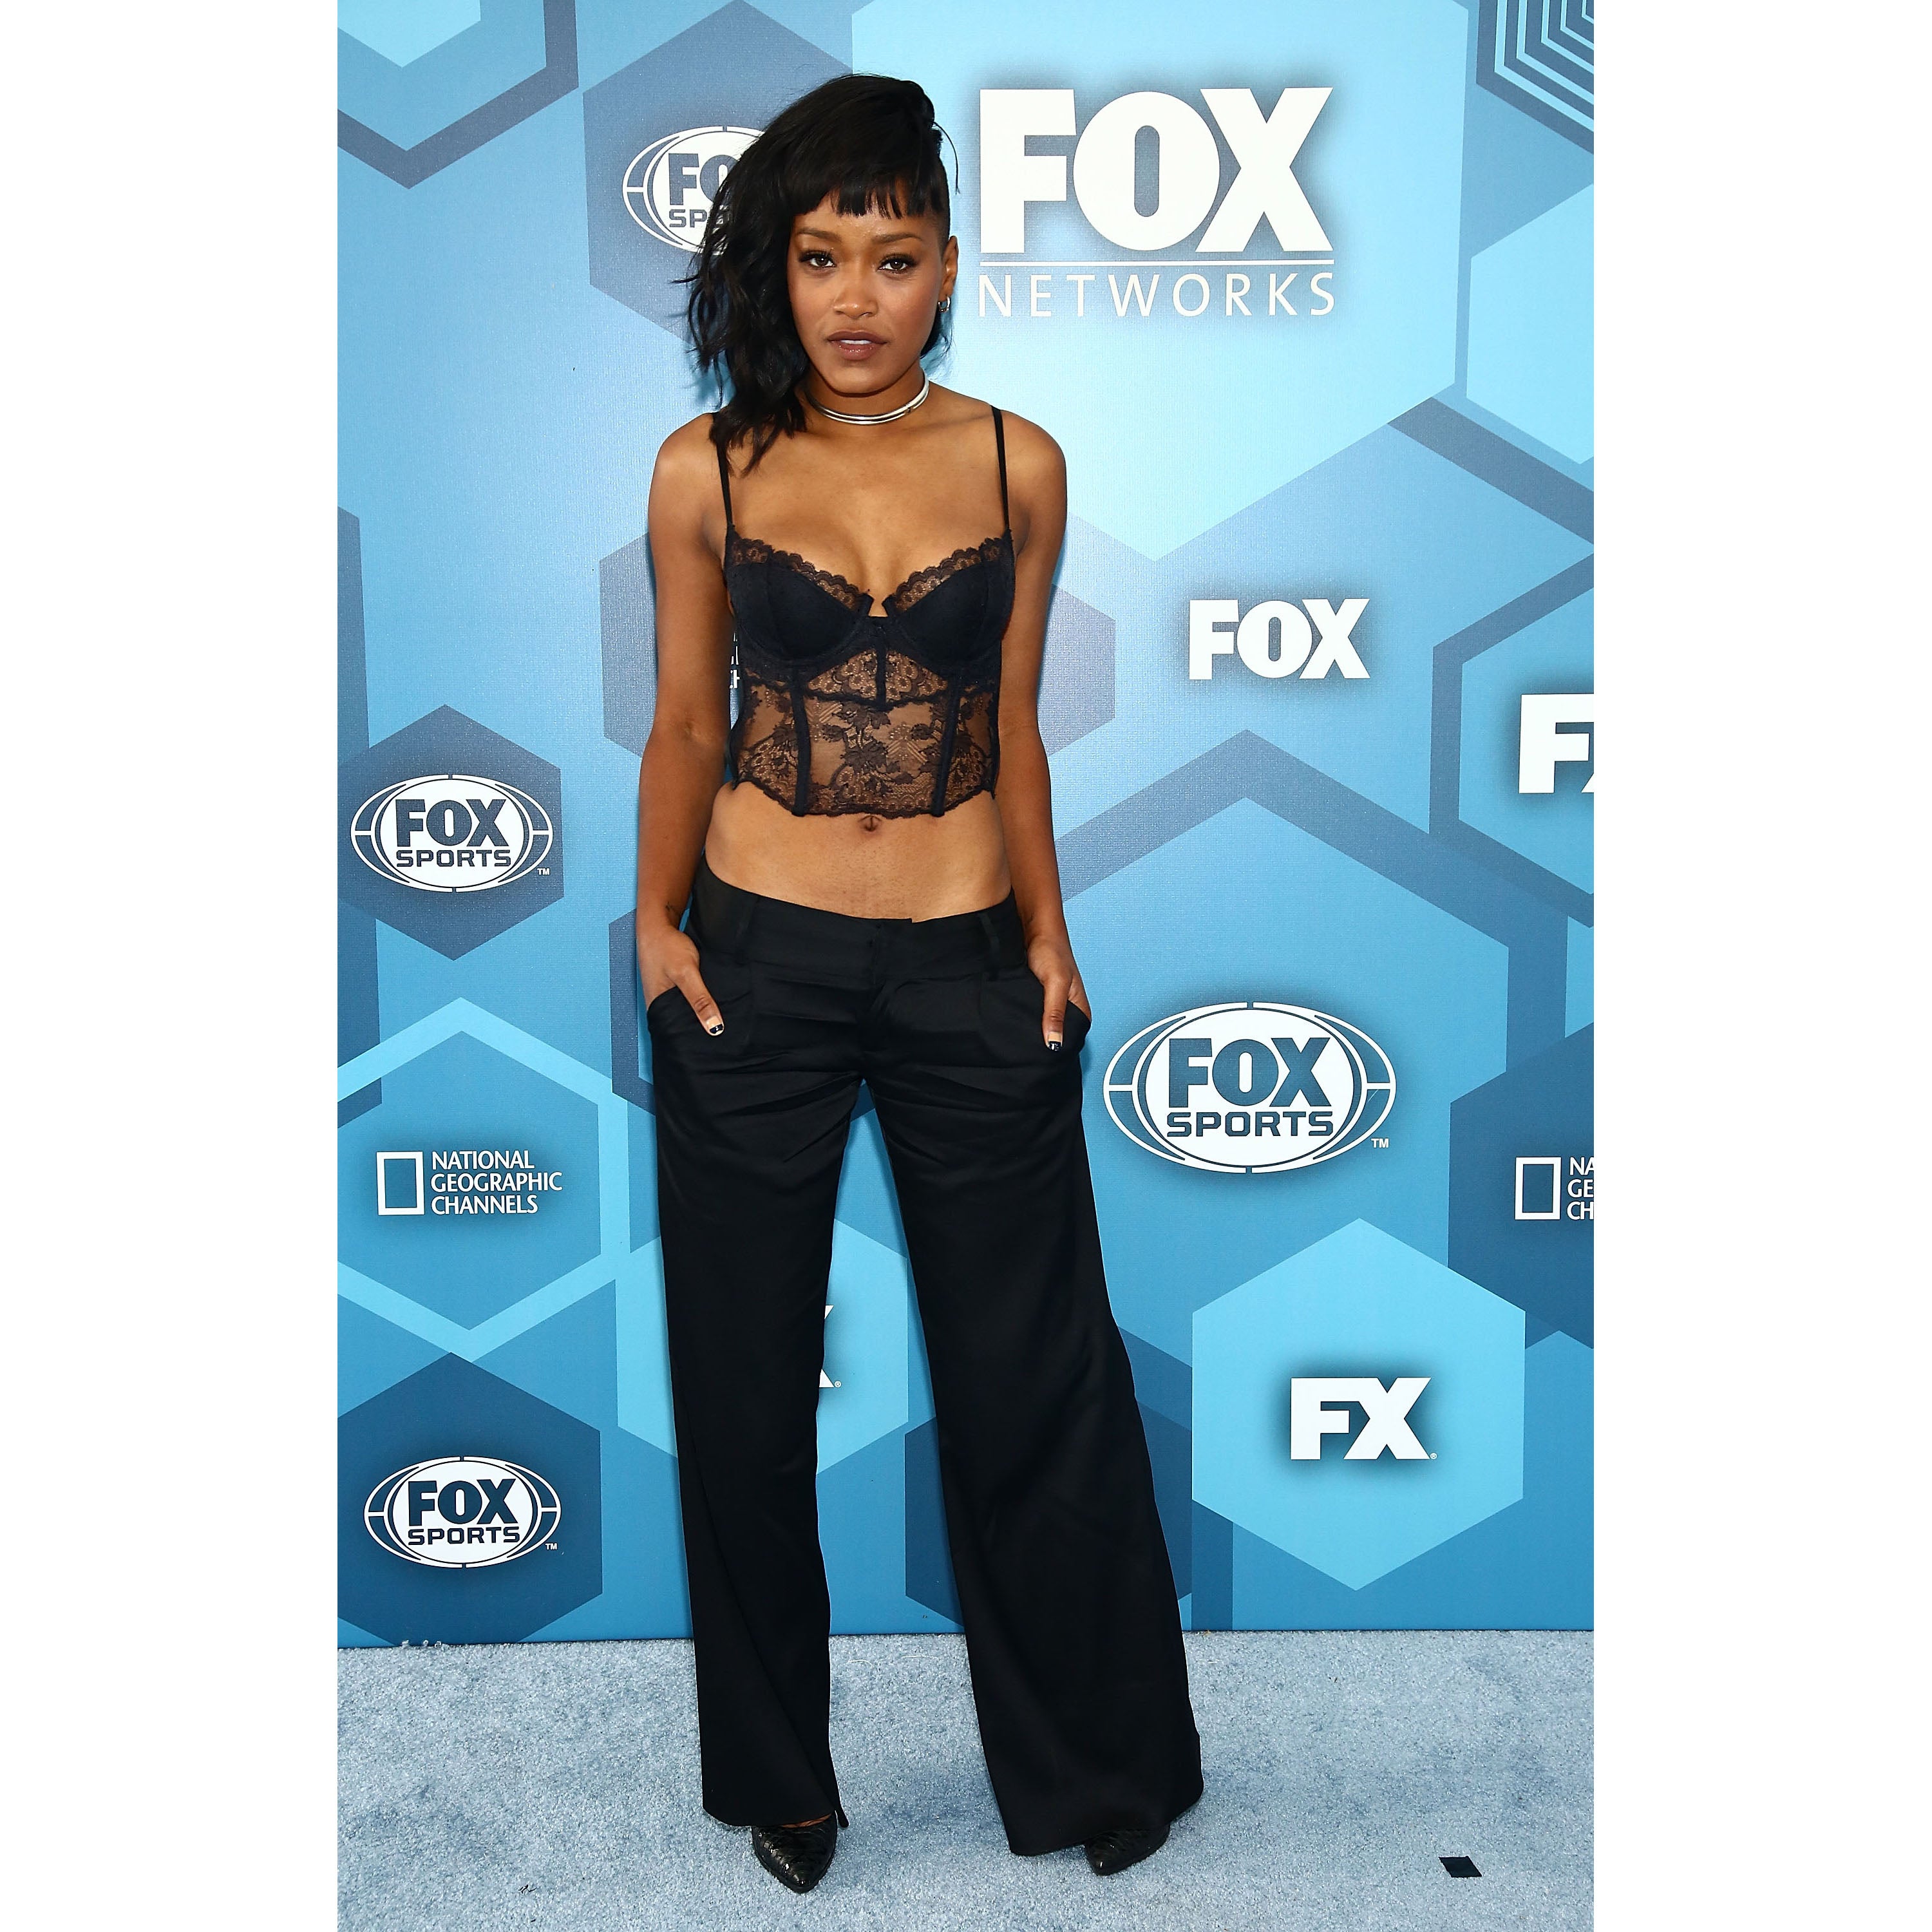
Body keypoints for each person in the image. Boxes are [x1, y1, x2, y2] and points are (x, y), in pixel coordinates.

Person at [635, 73, 1203, 1897]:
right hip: (754, 966)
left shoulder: (1018, 461)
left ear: (950, 264)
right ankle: (780, 1779)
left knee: (1034, 1369)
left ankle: (1101, 1759)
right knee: (740, 1383)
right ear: (776, 270)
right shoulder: (708, 470)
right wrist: (654, 926)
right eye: (820, 256)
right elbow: (684, 724)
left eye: (892, 255)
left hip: (967, 960)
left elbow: (1013, 724)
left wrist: (1047, 934)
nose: (857, 295)